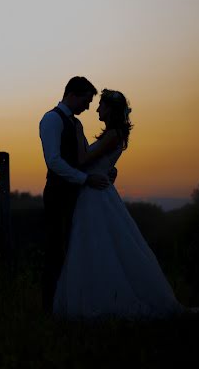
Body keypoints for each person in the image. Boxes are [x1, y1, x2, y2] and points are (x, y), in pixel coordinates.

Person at [53, 88, 187, 320]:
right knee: (93, 246)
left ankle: (107, 300)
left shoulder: (113, 135)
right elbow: (99, 163)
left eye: (101, 105)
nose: (97, 108)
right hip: (94, 192)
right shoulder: (111, 135)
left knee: (99, 246)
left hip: (97, 196)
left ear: (111, 110)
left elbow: (84, 160)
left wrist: (77, 130)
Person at [40, 77, 120, 314]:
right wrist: (86, 179)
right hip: (58, 195)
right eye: (86, 100)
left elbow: (83, 159)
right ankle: (51, 308)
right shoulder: (52, 119)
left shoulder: (76, 125)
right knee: (56, 251)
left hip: (79, 196)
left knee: (72, 250)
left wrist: (106, 169)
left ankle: (71, 304)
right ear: (73, 94)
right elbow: (54, 161)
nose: (88, 107)